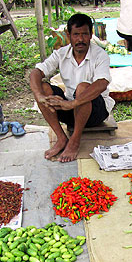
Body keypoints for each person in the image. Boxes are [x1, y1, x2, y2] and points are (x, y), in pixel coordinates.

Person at [29, 13, 115, 163]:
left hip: (96, 112)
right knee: (43, 87)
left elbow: (102, 83)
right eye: (76, 34)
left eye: (84, 34)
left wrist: (74, 103)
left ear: (91, 35)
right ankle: (61, 138)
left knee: (83, 87)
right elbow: (36, 73)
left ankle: (74, 140)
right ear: (69, 35)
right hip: (70, 110)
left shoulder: (100, 55)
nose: (80, 39)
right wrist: (40, 96)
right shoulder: (61, 54)